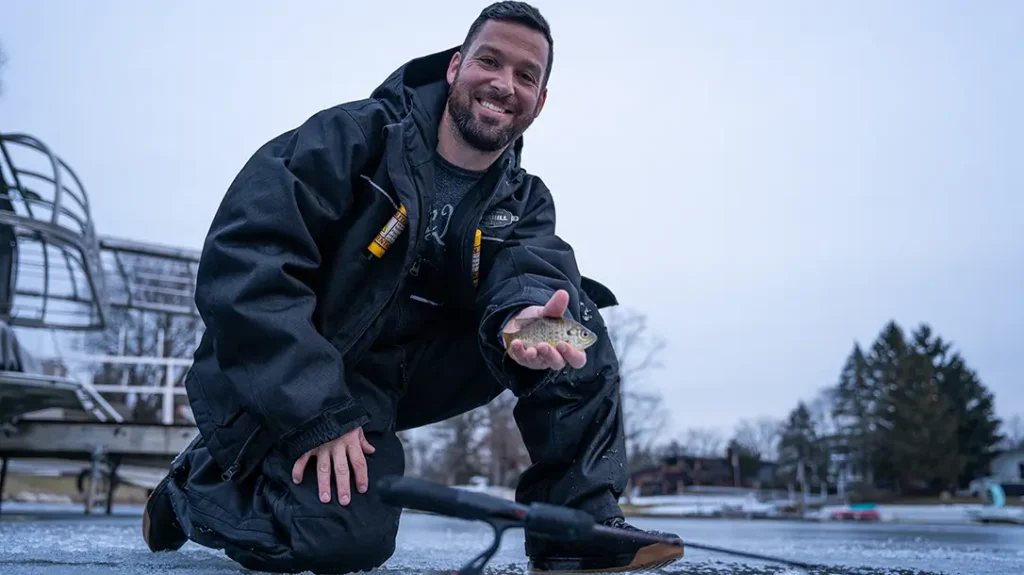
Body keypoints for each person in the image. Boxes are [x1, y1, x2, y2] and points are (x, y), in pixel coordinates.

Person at [142, 2, 683, 573]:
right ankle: (193, 485)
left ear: (540, 101)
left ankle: (577, 526)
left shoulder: (524, 200)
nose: (504, 84)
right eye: (490, 61)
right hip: (302, 368)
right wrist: (315, 411)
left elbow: (532, 267)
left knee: (575, 325)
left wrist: (523, 318)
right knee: (343, 540)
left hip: (399, 377)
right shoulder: (350, 138)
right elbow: (247, 263)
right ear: (455, 67)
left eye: (526, 76)